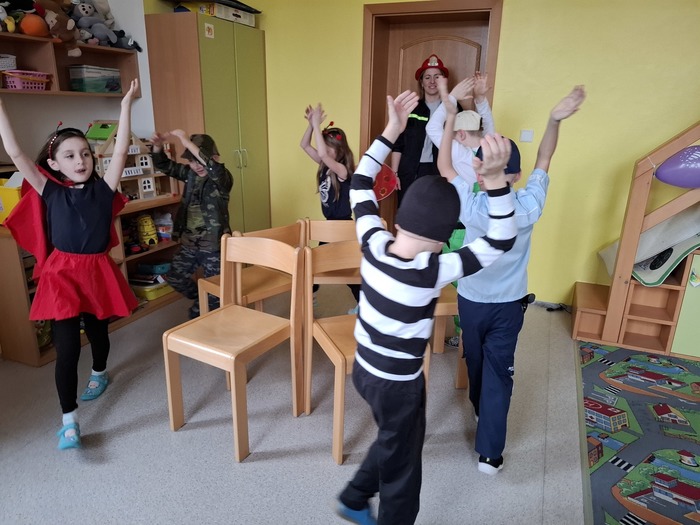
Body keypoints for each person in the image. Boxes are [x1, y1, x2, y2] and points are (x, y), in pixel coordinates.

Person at [336, 89, 518, 525]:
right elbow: (500, 239)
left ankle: (355, 496)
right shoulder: (432, 269)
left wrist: (391, 130)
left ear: (399, 220)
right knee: (403, 467)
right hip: (398, 383)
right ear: (443, 239)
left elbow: (359, 183)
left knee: (399, 437)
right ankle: (375, 509)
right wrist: (495, 180)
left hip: (365, 369)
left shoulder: (373, 242)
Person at [439, 83, 587, 475]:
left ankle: (486, 432)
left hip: (474, 301)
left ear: (480, 171)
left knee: (481, 363)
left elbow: (444, 167)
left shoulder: (472, 205)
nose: (475, 168)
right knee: (493, 367)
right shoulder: (528, 204)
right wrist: (554, 120)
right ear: (517, 175)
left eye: (479, 164)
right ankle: (489, 442)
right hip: (505, 305)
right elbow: (545, 156)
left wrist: (451, 115)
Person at [0, 79, 141, 450]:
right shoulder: (49, 190)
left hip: (96, 272)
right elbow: (15, 152)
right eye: (70, 156)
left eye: (85, 154)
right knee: (67, 349)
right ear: (53, 163)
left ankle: (100, 371)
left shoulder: (104, 189)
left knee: (97, 332)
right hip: (61, 275)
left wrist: (125, 106)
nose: (80, 161)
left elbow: (121, 148)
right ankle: (69, 421)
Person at [150, 131, 233, 319]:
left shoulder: (221, 179)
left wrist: (186, 141)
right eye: (191, 161)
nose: (196, 165)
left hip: (214, 246)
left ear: (215, 157)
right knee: (174, 277)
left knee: (214, 293)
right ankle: (201, 298)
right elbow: (165, 165)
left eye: (199, 160)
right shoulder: (190, 174)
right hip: (190, 244)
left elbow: (212, 167)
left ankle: (204, 313)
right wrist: (157, 146)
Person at [300, 103, 360, 312]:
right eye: (323, 146)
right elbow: (304, 145)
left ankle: (364, 305)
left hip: (342, 227)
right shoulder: (324, 165)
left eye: (328, 147)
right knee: (315, 263)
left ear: (340, 151)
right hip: (330, 226)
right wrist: (311, 125)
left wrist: (318, 125)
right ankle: (310, 297)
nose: (323, 151)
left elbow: (323, 155)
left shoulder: (342, 170)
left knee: (347, 270)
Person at [391, 54, 463, 203]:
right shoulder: (412, 108)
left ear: (443, 81)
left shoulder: (454, 108)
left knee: (437, 210)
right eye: (427, 77)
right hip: (410, 171)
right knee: (409, 210)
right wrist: (394, 173)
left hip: (441, 170)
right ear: (422, 82)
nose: (432, 81)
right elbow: (398, 144)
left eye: (437, 77)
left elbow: (463, 141)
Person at [426, 72, 496, 189]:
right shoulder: (491, 149)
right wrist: (480, 98)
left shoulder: (461, 154)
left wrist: (452, 97)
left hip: (462, 201)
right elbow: (488, 122)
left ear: (461, 134)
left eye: (452, 135)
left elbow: (432, 128)